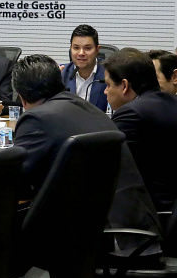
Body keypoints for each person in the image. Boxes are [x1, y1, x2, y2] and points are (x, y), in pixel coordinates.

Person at [11, 54, 161, 238]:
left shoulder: (36, 118)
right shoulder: (89, 108)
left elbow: (17, 185)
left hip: (96, 238)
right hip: (136, 231)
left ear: (22, 98)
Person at [104, 49, 177, 211]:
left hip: (155, 212)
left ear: (125, 86)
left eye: (108, 85)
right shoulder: (169, 102)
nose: (106, 91)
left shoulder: (132, 114)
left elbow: (106, 168)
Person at [60, 24, 108, 111]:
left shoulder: (109, 74)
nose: (81, 53)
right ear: (71, 48)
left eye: (87, 48)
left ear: (97, 50)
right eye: (76, 48)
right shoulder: (61, 74)